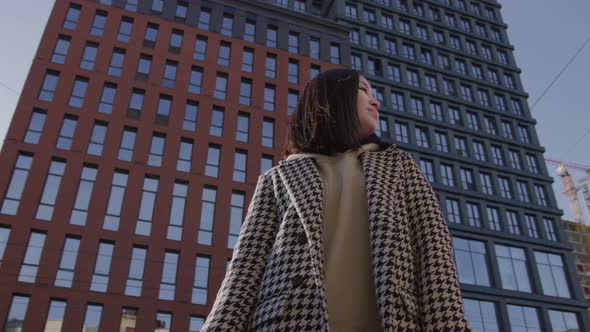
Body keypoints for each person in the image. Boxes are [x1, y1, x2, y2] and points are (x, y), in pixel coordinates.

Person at [201, 68, 472, 332]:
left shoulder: (399, 167)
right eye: (364, 90)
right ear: (333, 97)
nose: (375, 100)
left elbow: (434, 255)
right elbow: (244, 271)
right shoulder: (277, 178)